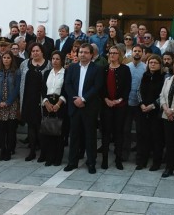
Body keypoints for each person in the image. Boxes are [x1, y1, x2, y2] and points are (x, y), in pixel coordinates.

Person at [64, 43, 103, 174]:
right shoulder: (72, 68)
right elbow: (67, 84)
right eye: (80, 52)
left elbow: (97, 87)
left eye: (86, 52)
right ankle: (72, 162)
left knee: (90, 137)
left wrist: (84, 99)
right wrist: (75, 99)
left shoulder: (97, 69)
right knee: (74, 136)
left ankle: (91, 162)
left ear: (91, 54)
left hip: (89, 107)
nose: (83, 54)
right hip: (75, 106)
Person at [19, 43, 52, 161]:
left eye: (37, 51)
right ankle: (32, 151)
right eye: (33, 51)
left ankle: (43, 152)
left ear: (42, 52)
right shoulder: (24, 64)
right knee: (31, 127)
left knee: (41, 127)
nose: (35, 53)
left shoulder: (49, 64)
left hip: (42, 100)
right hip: (28, 100)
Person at [101, 45, 131, 170]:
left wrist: (117, 101)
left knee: (119, 133)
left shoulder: (125, 69)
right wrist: (107, 99)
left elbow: (127, 88)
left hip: (120, 106)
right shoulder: (104, 69)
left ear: (119, 55)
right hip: (106, 105)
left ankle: (118, 159)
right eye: (110, 53)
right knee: (106, 133)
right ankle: (104, 160)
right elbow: (101, 87)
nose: (112, 55)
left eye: (115, 53)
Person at [136, 54, 164, 171]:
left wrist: (152, 106)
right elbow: (138, 90)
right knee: (143, 136)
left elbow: (163, 94)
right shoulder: (145, 75)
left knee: (157, 138)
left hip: (156, 111)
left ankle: (156, 163)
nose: (152, 64)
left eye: (155, 63)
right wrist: (141, 103)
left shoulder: (164, 77)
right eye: (150, 62)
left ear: (160, 65)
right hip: (143, 110)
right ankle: (142, 161)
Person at [0, 51, 21, 161]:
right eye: (4, 57)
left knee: (10, 129)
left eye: (8, 58)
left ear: (11, 59)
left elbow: (17, 88)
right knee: (1, 129)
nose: (6, 59)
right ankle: (2, 150)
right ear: (2, 59)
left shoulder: (16, 72)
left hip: (11, 104)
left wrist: (8, 102)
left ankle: (9, 150)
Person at [41, 51, 67, 166]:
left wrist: (58, 104)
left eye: (57, 59)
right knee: (48, 131)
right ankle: (49, 157)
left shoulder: (66, 73)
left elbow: (66, 89)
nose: (55, 61)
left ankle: (58, 158)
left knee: (59, 132)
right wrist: (46, 102)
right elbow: (42, 89)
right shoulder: (47, 73)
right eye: (53, 59)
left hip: (60, 103)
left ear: (62, 60)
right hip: (48, 103)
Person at [122, 44, 146, 161]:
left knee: (140, 131)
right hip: (127, 103)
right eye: (135, 51)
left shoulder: (146, 68)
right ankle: (124, 154)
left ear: (142, 53)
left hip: (140, 104)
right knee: (126, 130)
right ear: (131, 53)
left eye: (139, 51)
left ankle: (140, 156)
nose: (137, 53)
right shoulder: (126, 67)